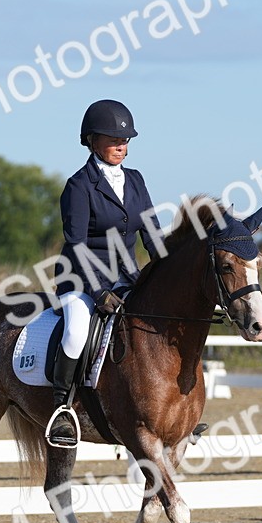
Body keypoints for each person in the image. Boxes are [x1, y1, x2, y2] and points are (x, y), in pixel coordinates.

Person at [47, 99, 161, 448]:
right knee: (76, 334)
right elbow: (77, 245)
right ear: (91, 140)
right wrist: (97, 293)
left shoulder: (136, 180)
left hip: (126, 277)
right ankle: (62, 410)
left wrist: (164, 273)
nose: (121, 145)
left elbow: (152, 234)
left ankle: (166, 411)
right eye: (113, 139)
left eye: (125, 140)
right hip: (81, 279)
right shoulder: (79, 186)